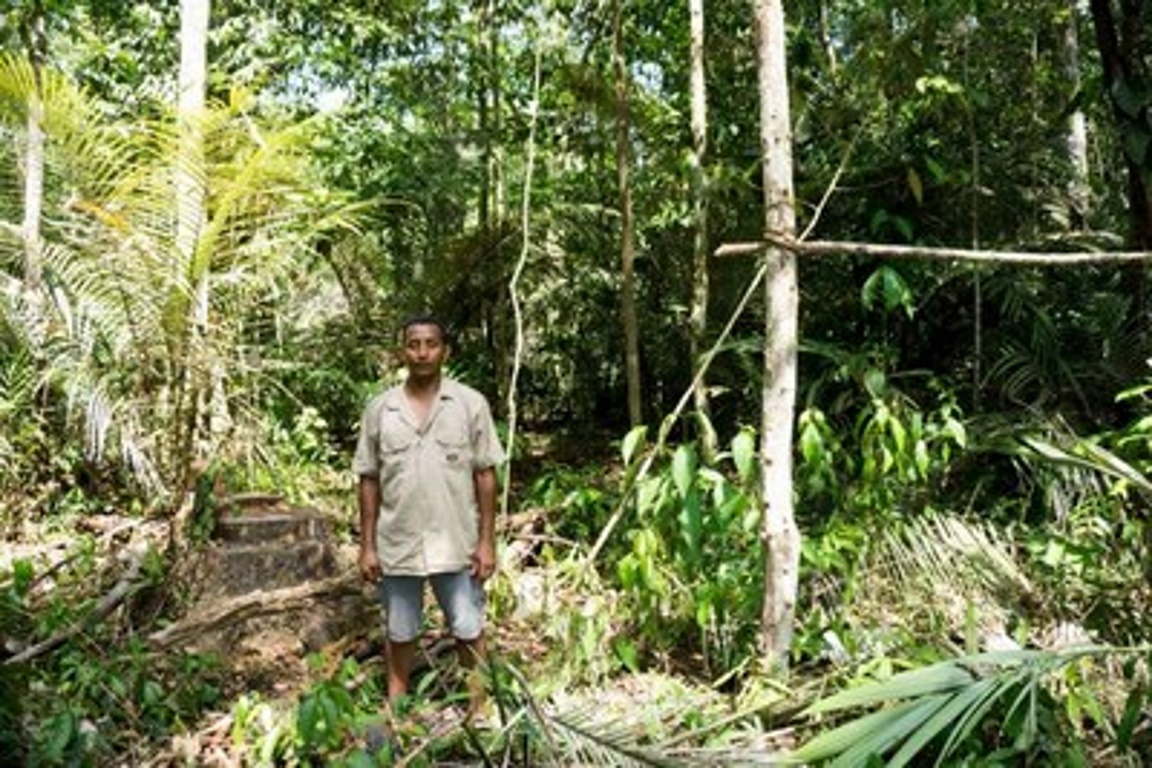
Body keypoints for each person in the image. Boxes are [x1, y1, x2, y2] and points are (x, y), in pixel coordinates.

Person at [353, 316, 505, 716]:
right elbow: (369, 479)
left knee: (468, 628)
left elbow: (485, 474)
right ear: (402, 351)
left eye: (431, 344)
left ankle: (479, 709)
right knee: (400, 631)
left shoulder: (470, 404)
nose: (422, 352)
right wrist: (367, 546)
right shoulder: (381, 409)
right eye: (414, 344)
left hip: (457, 542)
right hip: (398, 541)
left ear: (445, 351)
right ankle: (398, 711)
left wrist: (487, 541)